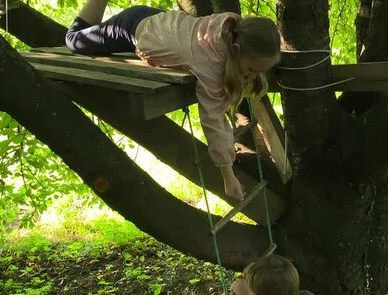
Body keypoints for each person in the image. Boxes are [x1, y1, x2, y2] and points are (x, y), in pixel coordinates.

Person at [65, 1, 281, 201]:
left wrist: (250, 73)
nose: (252, 76)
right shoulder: (209, 64)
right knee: (73, 40)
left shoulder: (229, 27)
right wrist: (228, 175)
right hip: (131, 27)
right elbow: (214, 121)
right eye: (252, 70)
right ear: (236, 50)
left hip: (163, 22)